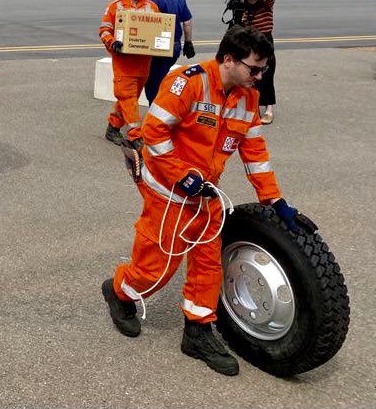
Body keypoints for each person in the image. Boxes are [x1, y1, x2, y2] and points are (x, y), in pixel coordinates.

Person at [102, 26, 301, 375]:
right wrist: (181, 174)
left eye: (264, 70)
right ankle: (120, 291)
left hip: (205, 194)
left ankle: (197, 330)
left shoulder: (248, 98)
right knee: (156, 269)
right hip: (167, 191)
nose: (260, 77)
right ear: (228, 60)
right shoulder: (188, 82)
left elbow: (255, 152)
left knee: (209, 264)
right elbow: (154, 132)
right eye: (254, 69)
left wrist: (274, 200)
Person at [99, 0, 160, 148]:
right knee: (128, 98)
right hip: (124, 64)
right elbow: (104, 30)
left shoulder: (151, 7)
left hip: (143, 64)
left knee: (127, 100)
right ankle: (136, 136)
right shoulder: (114, 7)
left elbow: (159, 30)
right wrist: (113, 43)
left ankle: (113, 128)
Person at [144, 0, 195, 104]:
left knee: (153, 83)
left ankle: (156, 113)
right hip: (175, 48)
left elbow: (147, 25)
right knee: (162, 78)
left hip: (159, 48)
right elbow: (187, 22)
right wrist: (188, 43)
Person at [238, 0, 277, 124]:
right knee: (251, 76)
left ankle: (269, 110)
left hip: (265, 41)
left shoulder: (266, 5)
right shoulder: (247, 10)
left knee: (267, 76)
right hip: (251, 43)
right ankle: (254, 108)